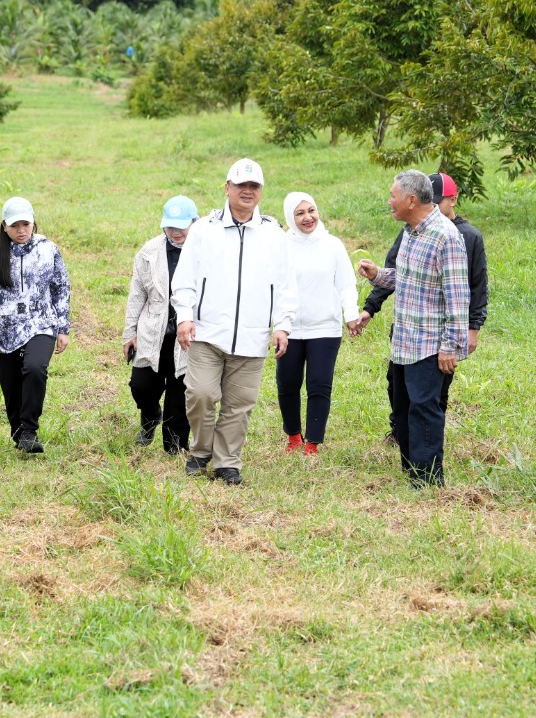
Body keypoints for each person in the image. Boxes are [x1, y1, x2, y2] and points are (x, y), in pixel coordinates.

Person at [171, 158, 297, 486]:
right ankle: (200, 449)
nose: (247, 192)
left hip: (252, 337)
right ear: (227, 188)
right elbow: (184, 279)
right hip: (206, 332)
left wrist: (282, 324)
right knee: (200, 394)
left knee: (239, 405)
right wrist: (184, 316)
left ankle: (227, 462)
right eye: (241, 185)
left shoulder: (273, 234)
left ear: (260, 192)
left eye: (254, 186)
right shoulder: (204, 229)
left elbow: (285, 285)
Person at [356, 169, 470, 489]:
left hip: (431, 345)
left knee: (425, 410)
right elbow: (405, 279)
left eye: (392, 196)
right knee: (404, 409)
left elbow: (458, 298)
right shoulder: (410, 231)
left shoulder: (446, 237)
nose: (389, 202)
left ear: (411, 199)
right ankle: (412, 472)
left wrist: (451, 346)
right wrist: (378, 274)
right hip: (404, 341)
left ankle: (429, 479)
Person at [0, 197, 70, 455]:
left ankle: (29, 428)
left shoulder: (48, 249)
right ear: (4, 227)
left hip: (41, 322)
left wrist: (62, 327)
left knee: (35, 367)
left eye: (25, 224)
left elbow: (60, 288)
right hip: (6, 328)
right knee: (10, 383)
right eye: (14, 225)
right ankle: (20, 433)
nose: (21, 230)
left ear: (33, 224)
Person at [275, 191, 360, 456]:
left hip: (325, 327)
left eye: (311, 210)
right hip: (289, 328)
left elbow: (346, 284)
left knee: (319, 383)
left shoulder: (332, 244)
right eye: (299, 213)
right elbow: (274, 287)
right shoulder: (281, 245)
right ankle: (293, 437)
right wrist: (279, 323)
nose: (307, 217)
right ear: (290, 217)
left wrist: (351, 314)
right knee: (287, 383)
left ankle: (312, 443)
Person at [122, 196, 199, 454]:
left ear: (194, 223)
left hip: (189, 337)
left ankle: (175, 446)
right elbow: (136, 296)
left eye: (181, 226)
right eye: (170, 226)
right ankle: (151, 415)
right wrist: (129, 333)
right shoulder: (149, 251)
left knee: (180, 394)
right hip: (153, 331)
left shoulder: (204, 250)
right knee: (141, 386)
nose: (176, 232)